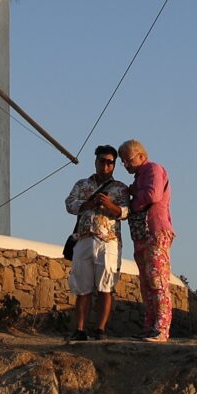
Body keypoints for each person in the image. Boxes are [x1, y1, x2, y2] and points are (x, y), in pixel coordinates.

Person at [62, 146, 129, 343]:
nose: (106, 165)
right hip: (84, 238)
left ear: (114, 165)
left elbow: (125, 212)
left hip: (108, 241)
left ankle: (100, 329)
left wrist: (110, 206)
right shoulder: (82, 185)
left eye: (110, 162)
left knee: (105, 286)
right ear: (96, 162)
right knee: (83, 288)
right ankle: (80, 329)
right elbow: (69, 204)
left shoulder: (120, 188)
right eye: (102, 161)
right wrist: (87, 205)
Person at [120, 139, 174, 342]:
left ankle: (161, 328)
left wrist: (134, 198)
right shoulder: (140, 176)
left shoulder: (153, 169)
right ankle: (150, 326)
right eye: (123, 161)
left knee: (157, 279)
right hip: (143, 233)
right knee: (146, 282)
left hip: (156, 230)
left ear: (142, 156)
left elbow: (153, 194)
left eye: (128, 159)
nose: (125, 164)